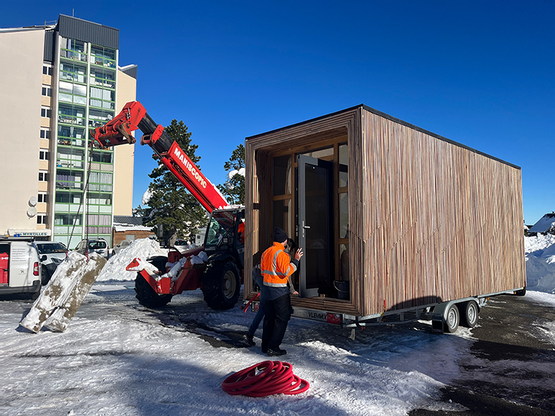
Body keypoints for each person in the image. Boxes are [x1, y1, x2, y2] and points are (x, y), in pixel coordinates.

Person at [244, 238, 298, 347]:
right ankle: (250, 334)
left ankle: (258, 339)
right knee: (264, 307)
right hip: (265, 279)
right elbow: (287, 275)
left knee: (267, 307)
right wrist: (292, 290)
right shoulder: (283, 253)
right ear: (290, 247)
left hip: (259, 274)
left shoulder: (272, 250)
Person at [260, 228, 303, 356]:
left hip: (267, 291)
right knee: (282, 319)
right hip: (279, 292)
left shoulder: (266, 252)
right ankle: (273, 347)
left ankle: (265, 345)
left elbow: (263, 272)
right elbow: (286, 272)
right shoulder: (283, 254)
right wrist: (296, 260)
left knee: (269, 319)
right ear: (285, 241)